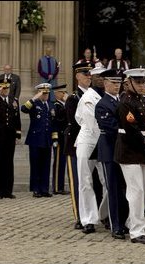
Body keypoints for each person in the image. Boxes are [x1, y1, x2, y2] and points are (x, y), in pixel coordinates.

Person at [114, 68, 145, 244]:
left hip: (142, 150)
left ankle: (132, 221)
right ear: (128, 83)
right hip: (129, 150)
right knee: (136, 191)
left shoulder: (143, 100)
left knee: (144, 188)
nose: (141, 85)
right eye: (138, 82)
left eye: (142, 82)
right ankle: (137, 231)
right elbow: (132, 130)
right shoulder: (125, 102)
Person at [95, 69, 129, 239]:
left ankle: (123, 222)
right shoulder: (102, 104)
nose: (117, 86)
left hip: (123, 151)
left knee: (123, 189)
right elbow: (111, 128)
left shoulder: (122, 101)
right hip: (109, 151)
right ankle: (115, 225)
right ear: (105, 83)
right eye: (113, 83)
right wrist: (130, 130)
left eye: (119, 83)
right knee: (114, 190)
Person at [74, 65, 109, 234]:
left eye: (104, 76)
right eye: (98, 76)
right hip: (88, 141)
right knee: (85, 181)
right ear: (92, 78)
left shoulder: (110, 96)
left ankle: (103, 213)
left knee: (109, 181)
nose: (101, 79)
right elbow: (89, 122)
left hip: (104, 141)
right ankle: (88, 219)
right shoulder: (88, 96)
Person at [64, 62, 94, 230]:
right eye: (85, 74)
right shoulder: (73, 98)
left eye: (89, 74)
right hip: (76, 144)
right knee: (78, 181)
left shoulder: (94, 95)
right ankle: (79, 216)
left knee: (91, 181)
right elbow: (75, 123)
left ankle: (91, 213)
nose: (88, 77)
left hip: (91, 144)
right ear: (77, 77)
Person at [21, 83, 56, 198]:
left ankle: (44, 188)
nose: (45, 95)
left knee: (46, 165)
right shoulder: (34, 104)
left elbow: (53, 123)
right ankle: (36, 189)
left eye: (47, 93)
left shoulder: (51, 105)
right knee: (35, 165)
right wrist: (34, 98)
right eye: (43, 93)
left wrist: (54, 138)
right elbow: (24, 109)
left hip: (46, 139)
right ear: (39, 93)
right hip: (35, 139)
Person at [51, 84, 69, 195]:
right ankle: (57, 187)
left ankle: (61, 186)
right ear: (56, 93)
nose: (64, 94)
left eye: (64, 92)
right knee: (58, 163)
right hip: (59, 137)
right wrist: (55, 139)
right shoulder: (55, 106)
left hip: (65, 137)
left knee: (62, 163)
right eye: (62, 92)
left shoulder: (63, 104)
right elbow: (56, 121)